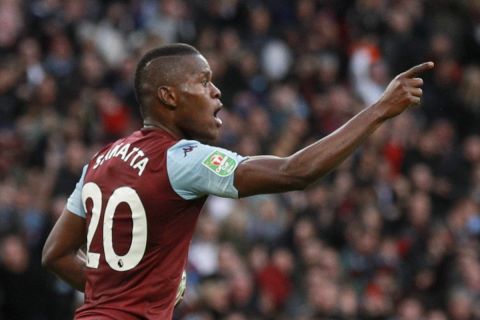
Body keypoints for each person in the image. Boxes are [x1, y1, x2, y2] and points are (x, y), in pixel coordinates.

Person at [41, 43, 433, 319]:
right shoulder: (181, 159)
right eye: (203, 81)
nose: (216, 92)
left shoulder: (100, 159)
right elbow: (294, 172)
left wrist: (117, 295)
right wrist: (381, 109)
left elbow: (55, 255)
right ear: (169, 96)